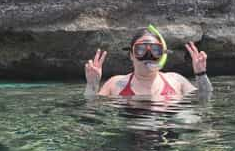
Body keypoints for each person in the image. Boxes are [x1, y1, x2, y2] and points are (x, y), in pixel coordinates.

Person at [83, 26, 213, 100]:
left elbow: (205, 98)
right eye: (141, 50)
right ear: (131, 55)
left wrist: (201, 74)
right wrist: (92, 85)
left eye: (156, 50)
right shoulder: (115, 83)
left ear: (162, 55)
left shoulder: (176, 80)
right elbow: (92, 108)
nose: (148, 55)